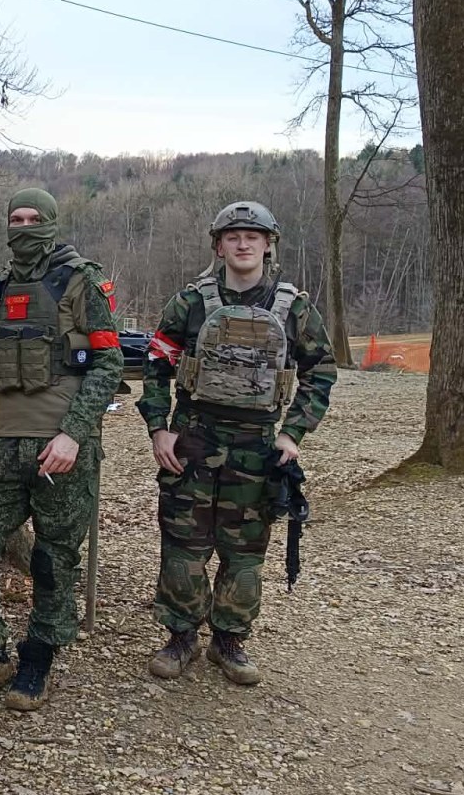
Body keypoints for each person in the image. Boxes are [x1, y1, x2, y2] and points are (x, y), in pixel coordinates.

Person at [0, 188, 124, 711]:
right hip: (8, 444)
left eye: (33, 218)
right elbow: (1, 342)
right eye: (15, 218)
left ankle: (38, 660)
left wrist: (74, 433)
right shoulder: (3, 283)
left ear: (52, 222)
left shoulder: (80, 279)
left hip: (62, 445)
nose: (23, 227)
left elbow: (108, 364)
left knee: (52, 560)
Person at [138, 200, 337, 687]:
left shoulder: (293, 307)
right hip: (192, 440)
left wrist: (293, 432)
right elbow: (156, 363)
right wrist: (159, 428)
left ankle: (228, 640)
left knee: (245, 551)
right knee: (183, 546)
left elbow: (321, 371)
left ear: (268, 245)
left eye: (253, 236)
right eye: (233, 237)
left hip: (256, 446)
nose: (243, 244)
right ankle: (181, 636)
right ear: (219, 246)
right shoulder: (190, 302)